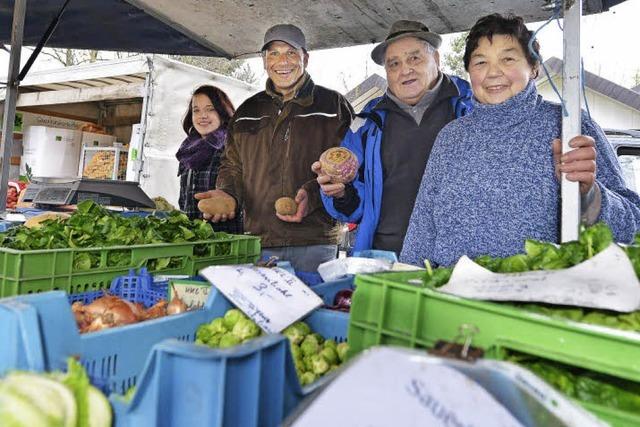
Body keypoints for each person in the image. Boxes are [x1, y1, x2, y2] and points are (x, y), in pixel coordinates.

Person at [401, 13, 640, 267]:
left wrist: (590, 195)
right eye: (480, 62)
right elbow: (422, 229)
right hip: (449, 297)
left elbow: (633, 228)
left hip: (536, 301)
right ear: (469, 71)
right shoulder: (451, 137)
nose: (493, 72)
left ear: (534, 67)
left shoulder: (569, 126)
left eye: (508, 59)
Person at [196, 24, 352, 272]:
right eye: (273, 53)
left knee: (315, 305)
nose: (282, 61)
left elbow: (349, 166)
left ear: (305, 58)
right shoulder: (247, 111)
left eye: (291, 52)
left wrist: (311, 196)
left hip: (315, 239)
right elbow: (232, 165)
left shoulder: (333, 105)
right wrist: (227, 193)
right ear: (264, 61)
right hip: (260, 238)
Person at [312, 20, 473, 256]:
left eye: (414, 58)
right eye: (394, 64)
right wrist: (341, 193)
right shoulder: (367, 123)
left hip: (459, 254)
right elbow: (355, 206)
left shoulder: (471, 107)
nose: (404, 70)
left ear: (436, 59)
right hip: (388, 254)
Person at [176, 85, 243, 233]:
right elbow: (184, 201)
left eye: (210, 109)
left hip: (226, 238)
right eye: (196, 110)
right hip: (192, 239)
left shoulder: (234, 147)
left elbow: (251, 194)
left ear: (222, 112)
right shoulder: (187, 151)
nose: (202, 116)